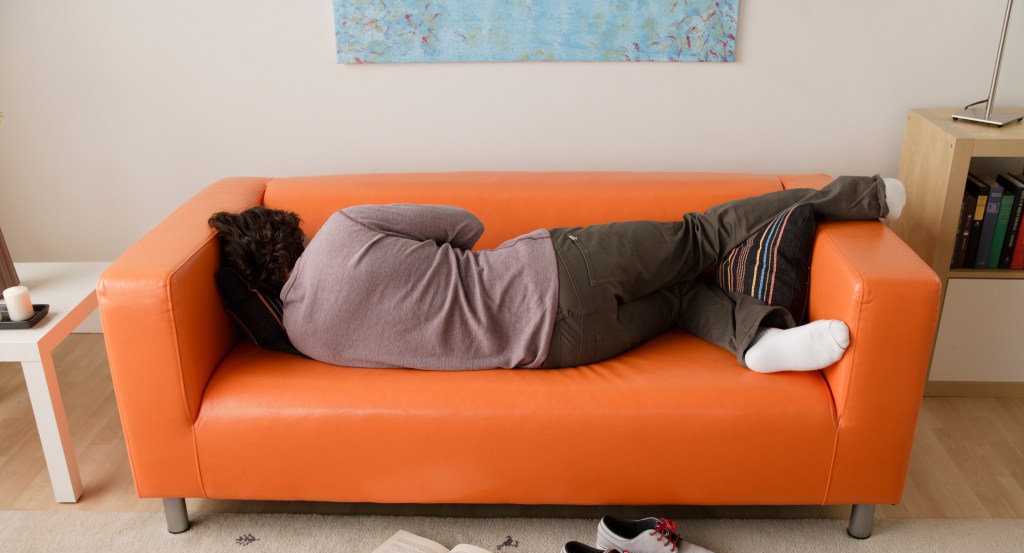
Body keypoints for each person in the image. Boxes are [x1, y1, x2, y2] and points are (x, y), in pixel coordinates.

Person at [209, 175, 905, 373]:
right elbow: (467, 226)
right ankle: (867, 195)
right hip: (555, 269)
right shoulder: (344, 230)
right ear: (281, 231)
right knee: (702, 235)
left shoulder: (303, 339)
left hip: (559, 349)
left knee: (681, 297)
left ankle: (756, 342)